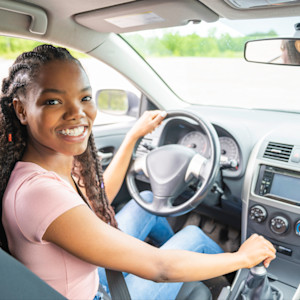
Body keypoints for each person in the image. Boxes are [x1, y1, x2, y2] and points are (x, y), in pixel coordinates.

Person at [0, 44, 276, 300]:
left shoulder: (45, 166)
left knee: (145, 201)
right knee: (194, 239)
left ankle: (199, 270)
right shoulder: (39, 194)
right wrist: (242, 257)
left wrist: (132, 137)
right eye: (53, 102)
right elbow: (160, 268)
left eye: (84, 97)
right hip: (94, 293)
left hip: (85, 275)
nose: (77, 112)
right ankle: (234, 280)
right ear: (21, 110)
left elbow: (95, 203)